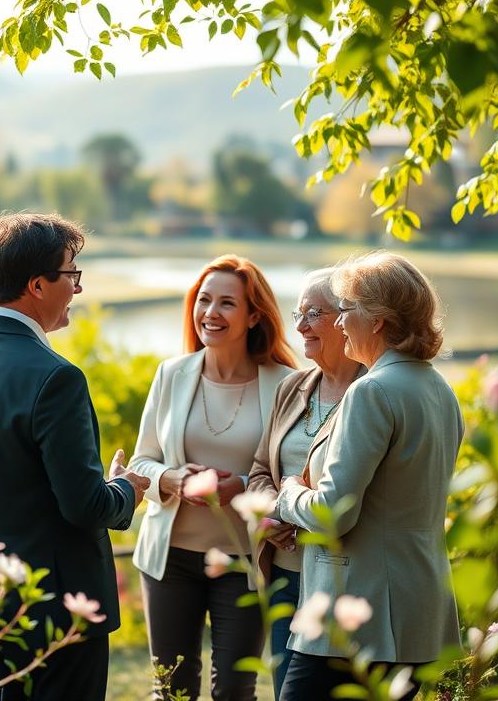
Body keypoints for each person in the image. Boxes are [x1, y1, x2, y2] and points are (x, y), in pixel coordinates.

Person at [0, 212, 149, 701]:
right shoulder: (56, 377)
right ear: (37, 285)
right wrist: (127, 490)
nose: (78, 288)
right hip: (58, 606)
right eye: (72, 275)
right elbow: (84, 505)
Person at [276, 252, 463, 701]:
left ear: (377, 320)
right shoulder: (439, 389)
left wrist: (287, 495)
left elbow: (332, 514)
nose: (338, 323)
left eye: (345, 309)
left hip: (359, 617)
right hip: (419, 613)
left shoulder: (371, 391)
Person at [129, 254, 298, 701]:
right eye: (204, 300)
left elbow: (298, 473)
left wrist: (241, 487)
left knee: (235, 691)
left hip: (245, 560)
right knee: (172, 688)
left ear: (253, 314)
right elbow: (142, 461)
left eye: (227, 303)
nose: (210, 313)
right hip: (170, 561)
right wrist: (173, 479)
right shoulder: (171, 374)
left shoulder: (287, 384)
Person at [246, 268, 364, 699]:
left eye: (314, 313)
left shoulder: (373, 392)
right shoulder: (291, 387)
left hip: (343, 582)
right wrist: (272, 512)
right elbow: (261, 469)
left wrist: (298, 510)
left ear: (348, 318)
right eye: (298, 312)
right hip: (285, 574)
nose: (299, 326)